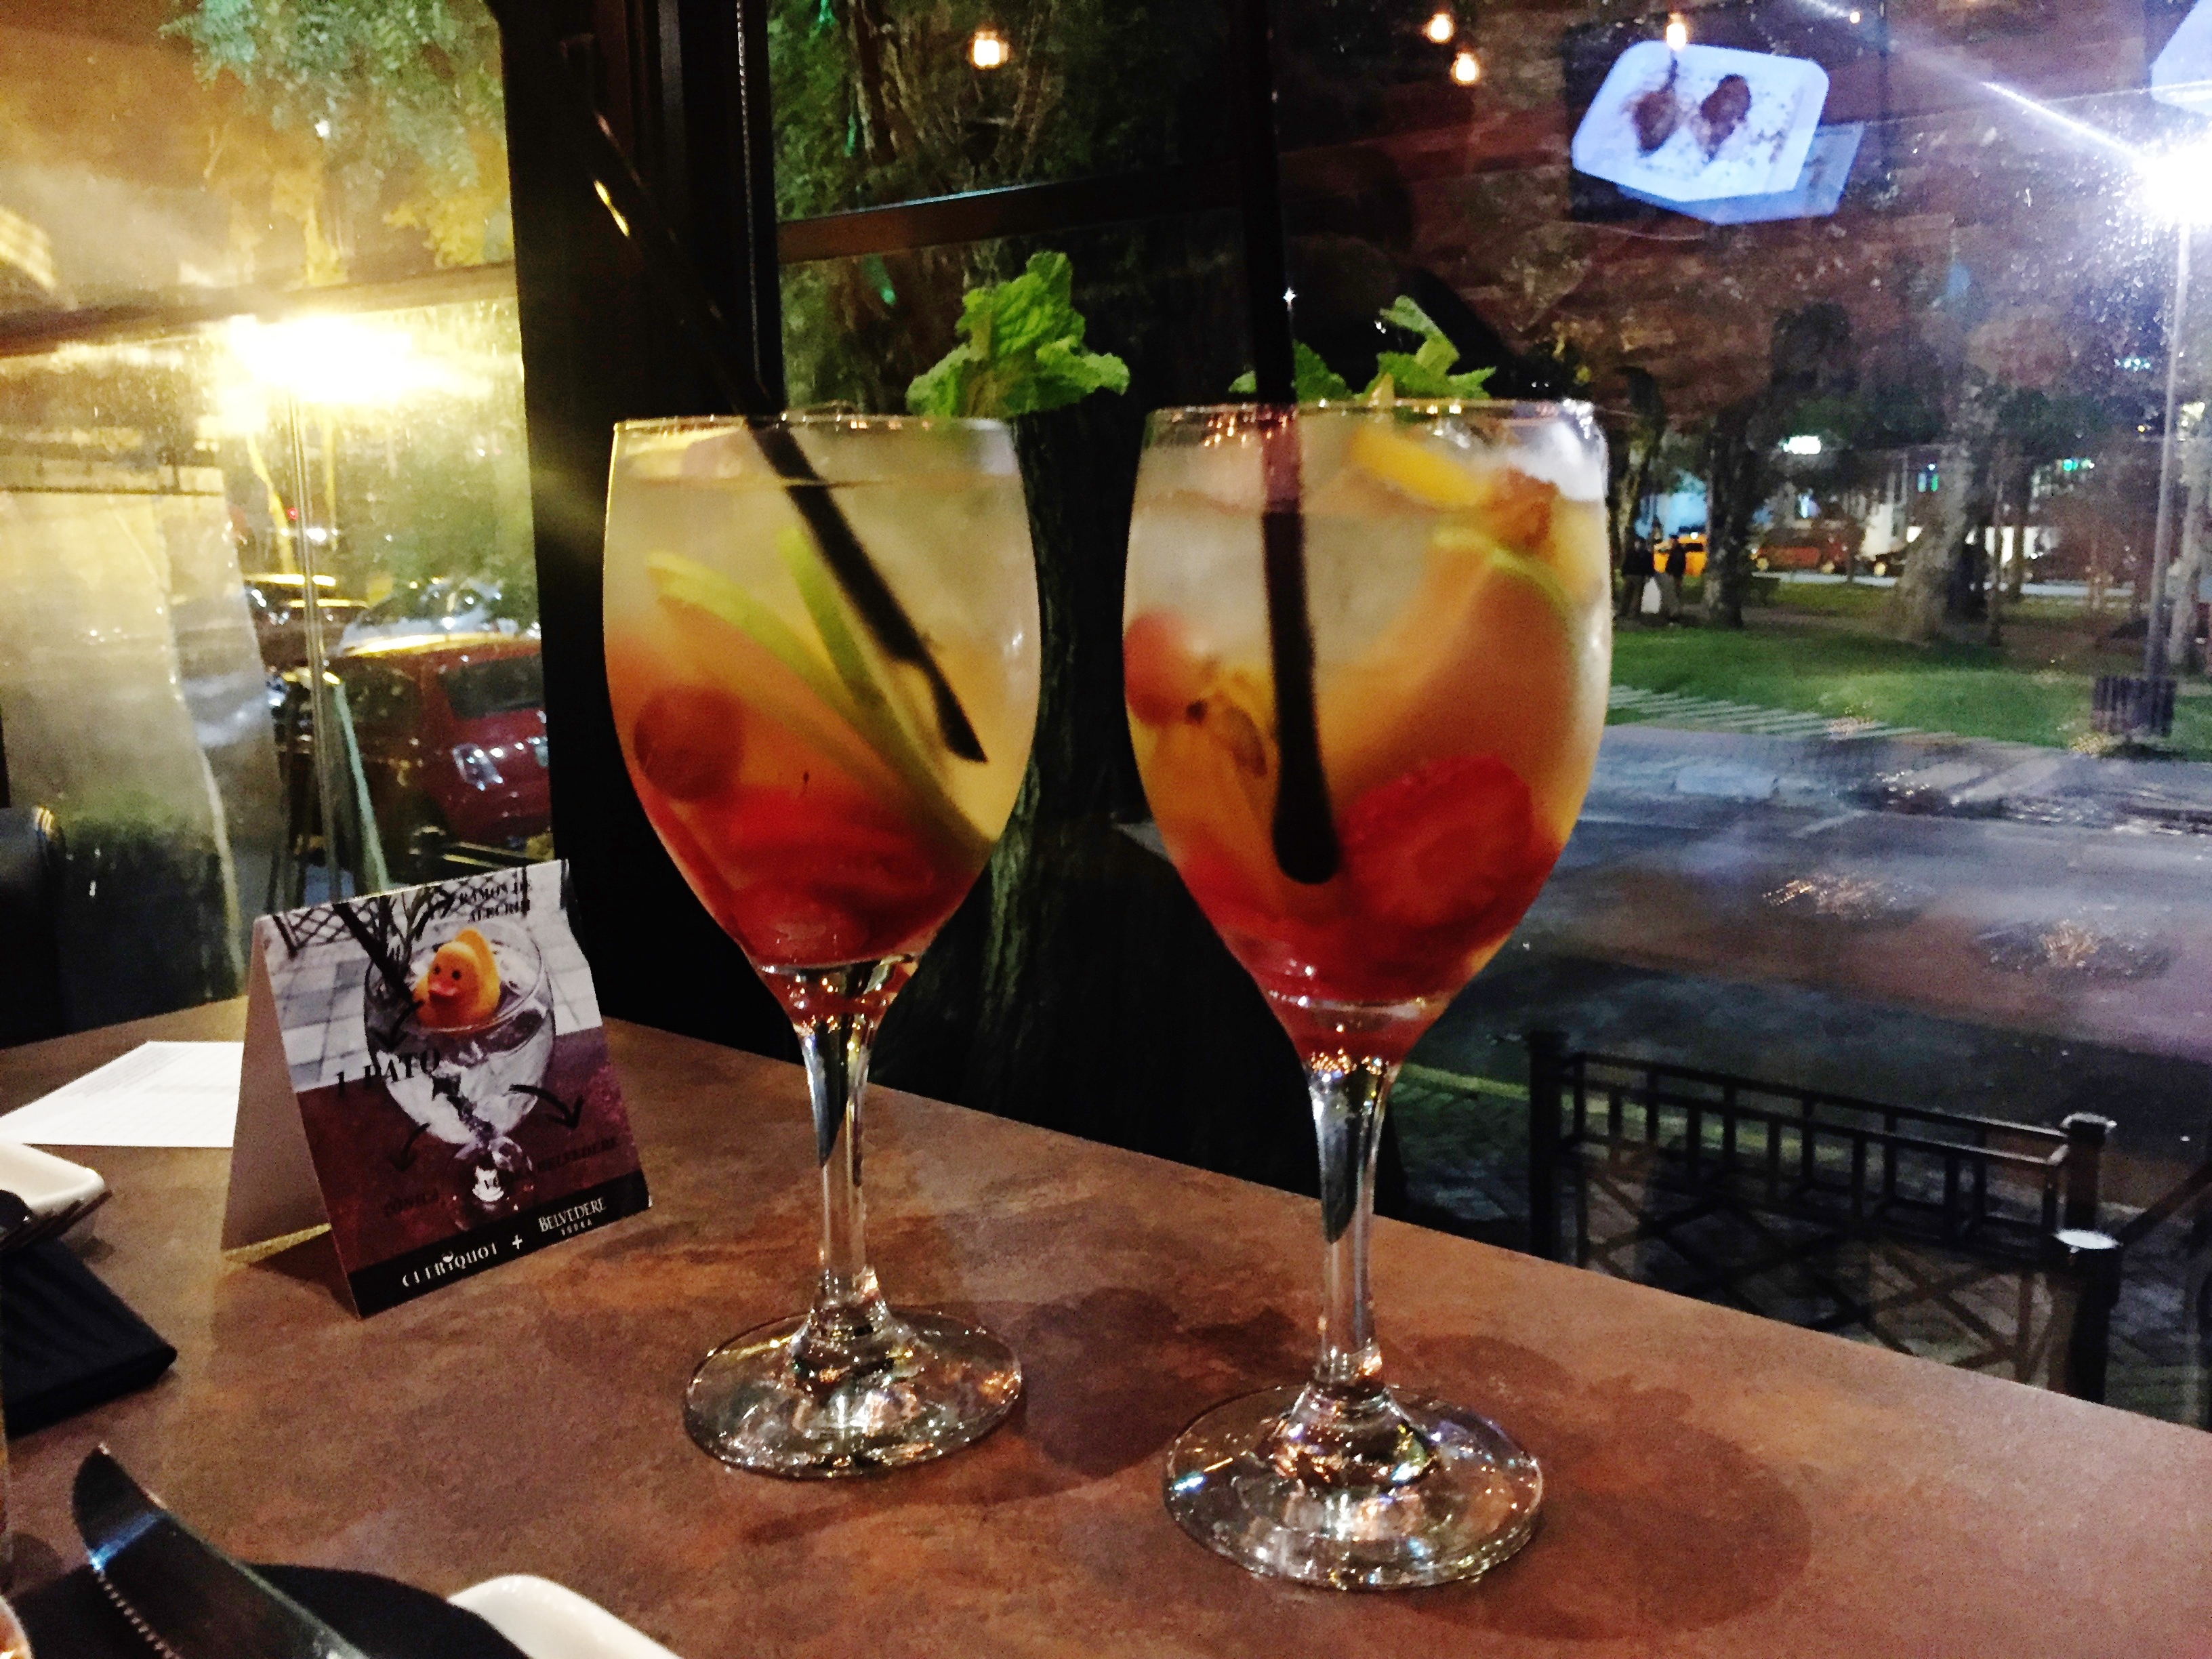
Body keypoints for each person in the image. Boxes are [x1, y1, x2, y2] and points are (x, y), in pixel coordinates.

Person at [1620, 535, 1656, 620]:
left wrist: (1624, 573)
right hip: (1635, 576)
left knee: (1633, 595)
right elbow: (1626, 563)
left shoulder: (1637, 553)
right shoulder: (1641, 554)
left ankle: (1629, 613)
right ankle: (1627, 612)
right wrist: (1649, 575)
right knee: (1631, 595)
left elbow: (1626, 564)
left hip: (1636, 576)